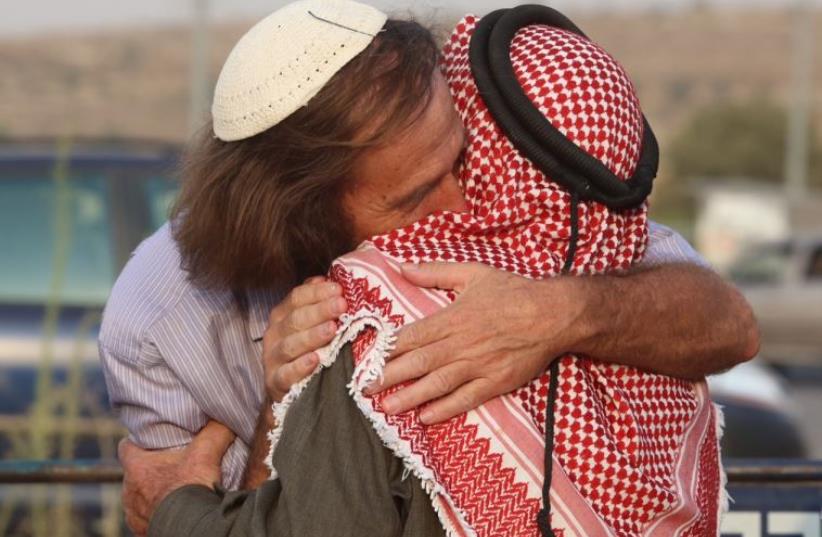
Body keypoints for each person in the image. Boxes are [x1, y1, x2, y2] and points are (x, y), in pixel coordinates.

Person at [101, 0, 758, 534]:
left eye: (459, 161)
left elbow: (727, 323)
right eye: (414, 197)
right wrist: (278, 404)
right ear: (301, 217)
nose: (461, 207)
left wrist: (560, 312)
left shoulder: (511, 214)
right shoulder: (162, 319)